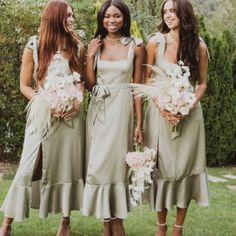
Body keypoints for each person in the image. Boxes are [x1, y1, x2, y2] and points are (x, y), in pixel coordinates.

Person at [0, 0, 85, 235]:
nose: (72, 19)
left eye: (72, 15)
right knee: (27, 168)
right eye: (67, 16)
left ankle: (65, 224)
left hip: (71, 117)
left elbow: (81, 82)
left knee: (68, 167)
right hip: (42, 115)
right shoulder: (34, 45)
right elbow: (24, 86)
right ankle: (6, 224)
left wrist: (76, 102)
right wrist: (46, 101)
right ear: (55, 18)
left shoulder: (77, 45)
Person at [144, 0, 209, 235]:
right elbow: (148, 79)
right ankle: (160, 228)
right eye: (165, 12)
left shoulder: (198, 46)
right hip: (159, 113)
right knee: (161, 167)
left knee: (185, 168)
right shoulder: (155, 42)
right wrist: (163, 106)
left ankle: (178, 228)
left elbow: (201, 84)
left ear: (184, 13)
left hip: (189, 116)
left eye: (173, 11)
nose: (168, 15)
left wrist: (187, 107)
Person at [83, 0, 145, 235]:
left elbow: (137, 87)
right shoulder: (95, 44)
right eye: (107, 16)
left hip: (121, 110)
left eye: (117, 16)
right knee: (99, 165)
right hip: (99, 110)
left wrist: (139, 123)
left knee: (117, 165)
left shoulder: (136, 45)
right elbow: (90, 84)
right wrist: (89, 57)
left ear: (124, 18)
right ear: (101, 19)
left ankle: (117, 222)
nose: (111, 20)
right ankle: (106, 224)